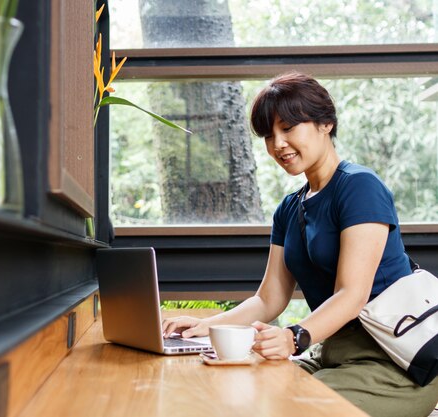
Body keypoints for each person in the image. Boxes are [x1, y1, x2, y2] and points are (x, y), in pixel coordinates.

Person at [162, 72, 438, 417]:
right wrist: (211, 325)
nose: (278, 144)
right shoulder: (289, 208)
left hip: (392, 362)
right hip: (330, 354)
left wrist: (294, 338)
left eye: (288, 128)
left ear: (326, 124)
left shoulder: (359, 187)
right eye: (268, 134)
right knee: (240, 395)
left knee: (292, 410)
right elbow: (268, 299)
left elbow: (351, 295)